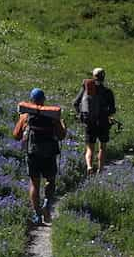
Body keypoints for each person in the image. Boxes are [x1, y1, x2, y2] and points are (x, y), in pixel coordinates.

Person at [13, 88, 66, 225]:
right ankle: (47, 204)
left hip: (33, 153)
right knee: (51, 180)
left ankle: (37, 215)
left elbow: (16, 136)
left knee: (34, 184)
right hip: (49, 154)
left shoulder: (25, 116)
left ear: (31, 100)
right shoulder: (52, 116)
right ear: (44, 100)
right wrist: (63, 124)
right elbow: (61, 136)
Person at [74, 67, 117, 175]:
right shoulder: (108, 92)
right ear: (104, 78)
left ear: (93, 76)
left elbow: (75, 103)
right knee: (102, 147)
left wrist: (81, 114)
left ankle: (89, 166)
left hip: (90, 122)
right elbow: (112, 109)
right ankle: (100, 169)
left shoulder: (86, 89)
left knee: (90, 148)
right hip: (103, 123)